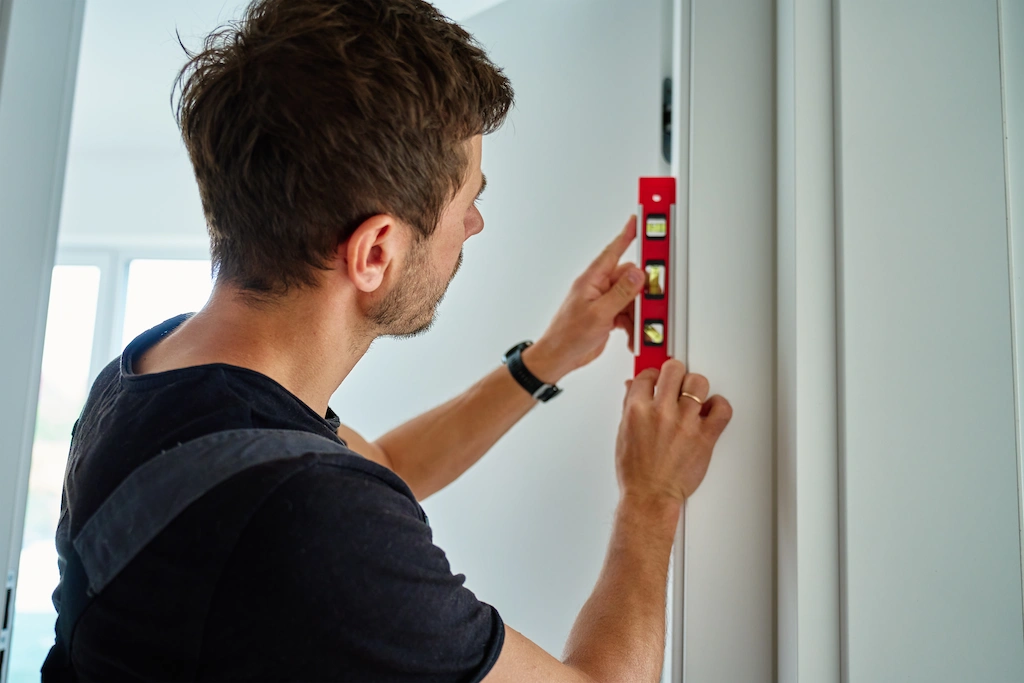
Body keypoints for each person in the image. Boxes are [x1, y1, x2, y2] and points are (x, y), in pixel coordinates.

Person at [43, 0, 733, 681]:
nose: (474, 226)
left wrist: (546, 358)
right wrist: (653, 495)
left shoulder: (148, 373)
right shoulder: (312, 520)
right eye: (468, 203)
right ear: (376, 251)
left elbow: (386, 465)